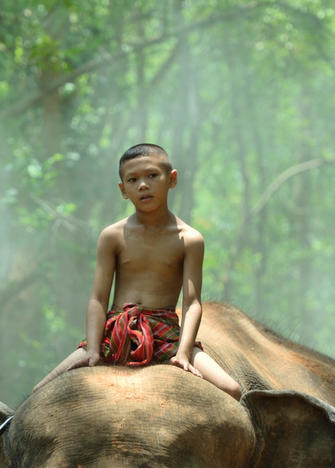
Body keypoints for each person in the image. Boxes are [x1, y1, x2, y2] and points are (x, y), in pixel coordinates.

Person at [35, 142, 241, 398]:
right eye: (133, 180)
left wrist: (184, 352)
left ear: (172, 179)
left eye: (152, 176)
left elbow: (192, 302)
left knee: (231, 389)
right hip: (115, 332)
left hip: (166, 336)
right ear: (123, 190)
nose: (143, 185)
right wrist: (93, 348)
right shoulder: (112, 236)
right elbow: (98, 298)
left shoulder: (190, 239)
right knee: (39, 392)